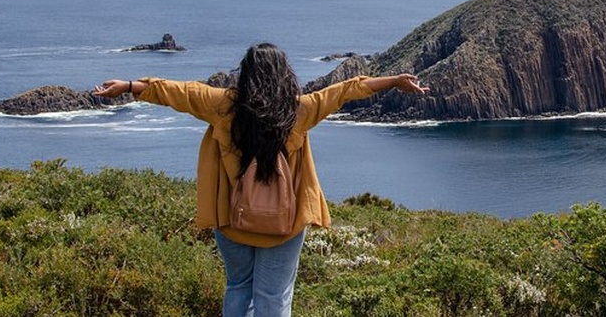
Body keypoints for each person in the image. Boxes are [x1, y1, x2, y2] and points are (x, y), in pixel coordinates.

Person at [93, 43, 428, 316]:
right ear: (284, 76)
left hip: (232, 219)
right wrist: (394, 81)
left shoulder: (223, 105)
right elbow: (345, 91)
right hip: (284, 224)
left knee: (239, 288)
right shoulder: (301, 110)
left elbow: (179, 93)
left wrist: (129, 87)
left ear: (247, 74)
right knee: (274, 297)